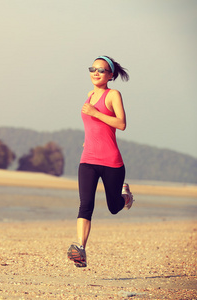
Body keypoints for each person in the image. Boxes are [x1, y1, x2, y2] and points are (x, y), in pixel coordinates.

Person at [67, 55, 134, 268]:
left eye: (102, 70)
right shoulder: (88, 95)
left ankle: (126, 197)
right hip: (88, 159)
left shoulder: (113, 94)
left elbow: (121, 124)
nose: (96, 73)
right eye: (93, 68)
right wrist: (88, 143)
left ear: (111, 75)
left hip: (111, 161)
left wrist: (96, 112)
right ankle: (81, 250)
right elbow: (93, 127)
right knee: (86, 204)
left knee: (114, 207)